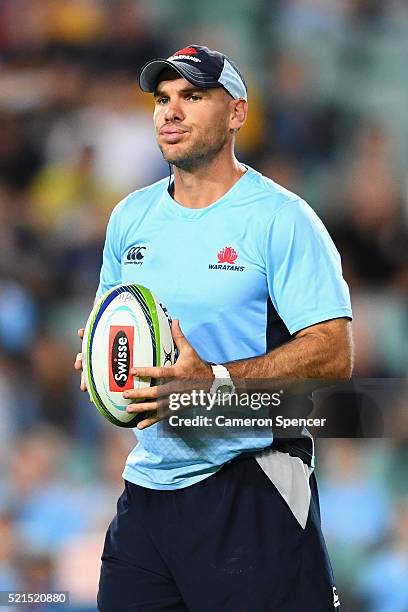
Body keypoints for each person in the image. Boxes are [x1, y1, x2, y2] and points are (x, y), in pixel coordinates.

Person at [75, 45, 353, 611]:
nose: (170, 111)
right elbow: (111, 322)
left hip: (252, 485)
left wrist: (216, 379)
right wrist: (99, 358)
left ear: (237, 114)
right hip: (150, 492)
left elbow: (335, 352)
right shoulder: (130, 217)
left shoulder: (282, 218)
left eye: (193, 96)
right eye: (163, 98)